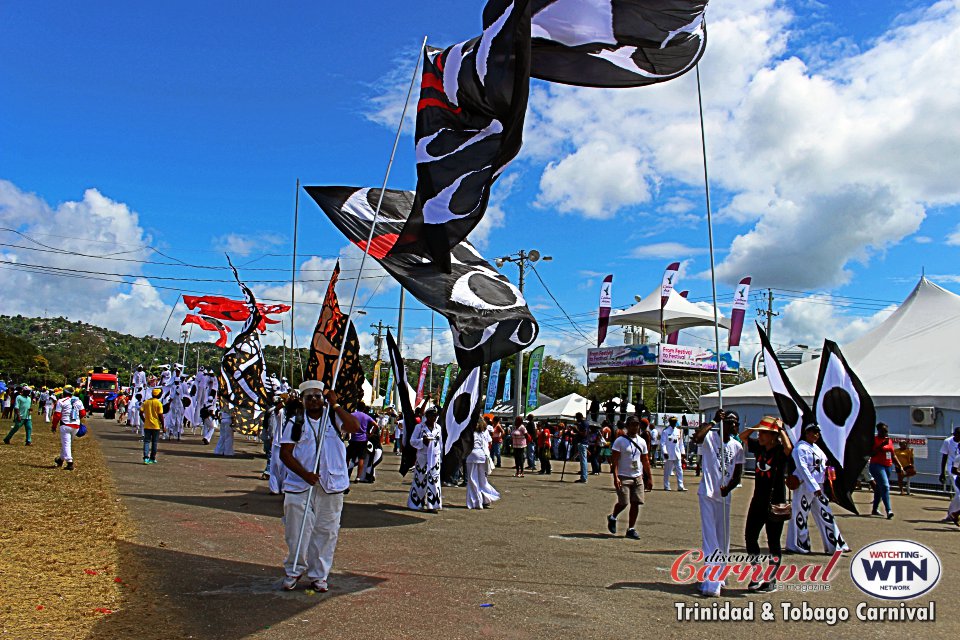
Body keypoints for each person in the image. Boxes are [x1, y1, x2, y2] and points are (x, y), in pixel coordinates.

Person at [279, 381, 359, 591]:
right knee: (296, 530)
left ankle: (319, 575)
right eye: (309, 397)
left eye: (317, 396)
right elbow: (285, 453)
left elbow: (355, 428)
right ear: (303, 401)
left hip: (330, 485)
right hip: (300, 485)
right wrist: (304, 474)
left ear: (323, 398)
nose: (314, 400)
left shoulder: (333, 417)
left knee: (327, 531)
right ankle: (293, 571)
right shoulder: (295, 421)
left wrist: (336, 406)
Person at [690, 410, 744, 597]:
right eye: (729, 422)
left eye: (735, 422)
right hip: (707, 493)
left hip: (723, 497)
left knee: (723, 539)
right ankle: (711, 584)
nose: (733, 426)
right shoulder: (710, 437)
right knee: (710, 539)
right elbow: (696, 438)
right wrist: (713, 421)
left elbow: (737, 475)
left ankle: (719, 577)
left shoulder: (737, 446)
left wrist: (728, 489)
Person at [740, 416, 792, 592]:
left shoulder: (778, 451)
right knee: (750, 537)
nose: (761, 436)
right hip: (758, 501)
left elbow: (788, 449)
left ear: (773, 436)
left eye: (764, 433)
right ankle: (756, 574)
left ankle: (771, 580)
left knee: (773, 542)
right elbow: (743, 437)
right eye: (760, 433)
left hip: (775, 502)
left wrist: (781, 430)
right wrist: (757, 427)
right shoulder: (759, 448)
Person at [786, 423, 849, 555]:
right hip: (805, 486)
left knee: (826, 514)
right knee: (800, 516)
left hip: (819, 486)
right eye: (813, 432)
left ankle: (836, 545)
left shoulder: (817, 449)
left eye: (817, 432)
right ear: (806, 433)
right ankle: (799, 545)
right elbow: (803, 468)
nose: (816, 435)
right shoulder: (800, 448)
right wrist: (813, 486)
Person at [606, 417, 653, 540]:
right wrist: (616, 477)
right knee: (624, 502)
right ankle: (613, 516)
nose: (635, 427)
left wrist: (649, 478)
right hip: (623, 476)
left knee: (636, 503)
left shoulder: (641, 441)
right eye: (632, 425)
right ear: (627, 426)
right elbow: (615, 462)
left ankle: (631, 529)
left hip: (638, 476)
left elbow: (645, 460)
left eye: (637, 425)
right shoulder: (620, 441)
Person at [408, 406, 443, 512]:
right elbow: (412, 441)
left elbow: (440, 443)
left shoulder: (439, 428)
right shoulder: (419, 427)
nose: (433, 417)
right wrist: (422, 441)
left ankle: (433, 505)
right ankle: (417, 503)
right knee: (420, 479)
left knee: (434, 481)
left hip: (434, 458)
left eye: (435, 415)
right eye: (431, 415)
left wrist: (440, 457)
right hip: (422, 457)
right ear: (426, 416)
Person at [869, 423, 903, 519]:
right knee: (885, 486)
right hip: (876, 465)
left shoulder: (889, 441)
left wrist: (899, 465)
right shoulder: (874, 440)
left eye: (886, 431)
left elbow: (893, 454)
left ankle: (874, 509)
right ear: (878, 430)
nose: (885, 433)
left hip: (888, 466)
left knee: (880, 488)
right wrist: (881, 445)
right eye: (883, 431)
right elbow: (871, 453)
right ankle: (889, 510)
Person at [466, 418, 499, 509]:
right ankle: (486, 499)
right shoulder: (484, 432)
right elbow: (489, 443)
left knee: (473, 479)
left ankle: (476, 502)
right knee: (482, 479)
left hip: (472, 454)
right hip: (482, 455)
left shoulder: (470, 433)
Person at [51, 385, 86, 471]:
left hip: (65, 425)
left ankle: (70, 462)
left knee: (66, 443)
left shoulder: (61, 401)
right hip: (76, 425)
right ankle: (60, 460)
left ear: (64, 393)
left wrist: (54, 426)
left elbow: (57, 415)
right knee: (67, 443)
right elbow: (83, 413)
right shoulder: (78, 401)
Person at [348, 403, 374, 482]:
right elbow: (376, 425)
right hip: (363, 439)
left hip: (354, 438)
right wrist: (370, 434)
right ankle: (358, 477)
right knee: (361, 458)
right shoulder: (366, 416)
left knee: (348, 457)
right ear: (363, 408)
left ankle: (346, 473)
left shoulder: (352, 414)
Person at [939, 427, 960, 521]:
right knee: (959, 492)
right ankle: (952, 514)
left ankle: (951, 514)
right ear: (955, 434)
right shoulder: (948, 441)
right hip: (952, 469)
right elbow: (944, 457)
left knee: (958, 494)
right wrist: (942, 472)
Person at [661, 416, 687, 491]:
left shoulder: (678, 431)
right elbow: (663, 443)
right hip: (669, 454)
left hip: (677, 454)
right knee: (667, 471)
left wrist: (683, 452)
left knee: (679, 470)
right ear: (670, 422)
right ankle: (666, 485)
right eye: (672, 422)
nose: (674, 423)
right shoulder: (665, 431)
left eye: (675, 422)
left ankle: (680, 486)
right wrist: (665, 452)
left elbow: (681, 443)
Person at [140, 388, 164, 464]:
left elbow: (140, 413)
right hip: (156, 426)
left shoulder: (146, 402)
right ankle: (152, 458)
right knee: (154, 442)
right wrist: (163, 426)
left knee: (146, 441)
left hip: (147, 425)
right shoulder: (159, 403)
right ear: (159, 395)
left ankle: (146, 458)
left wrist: (144, 420)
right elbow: (161, 416)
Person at [574, 413, 589, 483]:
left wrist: (576, 429)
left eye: (577, 418)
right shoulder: (583, 423)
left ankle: (584, 477)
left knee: (583, 460)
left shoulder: (584, 423)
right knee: (583, 460)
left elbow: (584, 434)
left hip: (583, 443)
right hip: (582, 442)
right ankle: (583, 476)